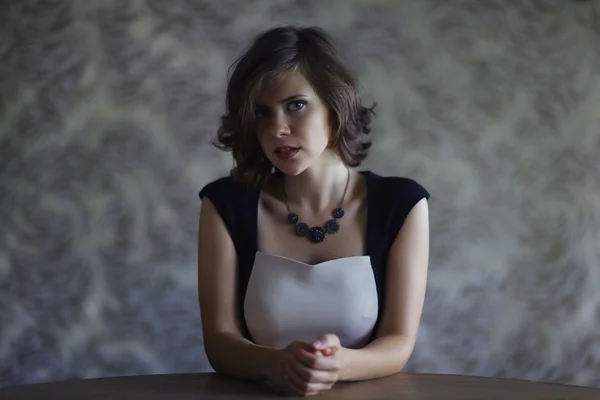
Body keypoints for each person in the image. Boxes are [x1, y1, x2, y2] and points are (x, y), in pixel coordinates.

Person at [197, 25, 430, 396]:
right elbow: (220, 341)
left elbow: (398, 342)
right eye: (262, 113)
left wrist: (339, 365)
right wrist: (277, 365)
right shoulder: (226, 205)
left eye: (295, 105)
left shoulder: (401, 204)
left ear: (333, 105)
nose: (278, 129)